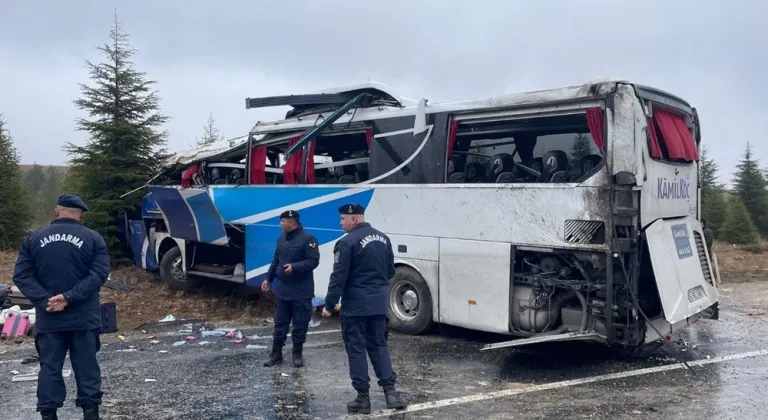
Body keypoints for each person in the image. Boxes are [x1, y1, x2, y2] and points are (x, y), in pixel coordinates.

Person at [12, 194, 110, 420]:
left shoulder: (34, 239)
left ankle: (48, 414)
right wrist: (68, 297)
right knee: (86, 367)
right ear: (81, 214)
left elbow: (21, 275)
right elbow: (98, 275)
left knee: (50, 367)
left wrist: (45, 300)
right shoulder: (94, 239)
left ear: (57, 211)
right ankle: (90, 413)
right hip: (83, 318)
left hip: (49, 318)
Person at [322, 203, 407, 414]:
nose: (341, 223)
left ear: (353, 218)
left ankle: (362, 398)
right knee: (379, 346)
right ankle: (391, 394)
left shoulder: (347, 242)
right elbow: (389, 271)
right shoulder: (383, 238)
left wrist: (329, 304)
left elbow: (338, 277)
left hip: (355, 307)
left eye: (342, 219)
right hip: (378, 305)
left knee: (356, 350)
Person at [262, 210, 320, 368]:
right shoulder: (281, 239)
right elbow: (275, 261)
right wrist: (268, 278)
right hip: (283, 290)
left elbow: (313, 261)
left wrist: (295, 267)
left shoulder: (308, 239)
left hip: (301, 291)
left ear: (292, 222)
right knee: (280, 324)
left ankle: (297, 353)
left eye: (283, 221)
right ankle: (276, 354)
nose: (280, 224)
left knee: (300, 324)